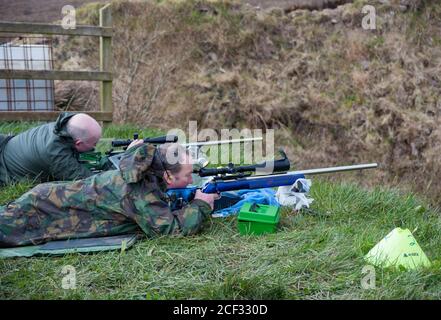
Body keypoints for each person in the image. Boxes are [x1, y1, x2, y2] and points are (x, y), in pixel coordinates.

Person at [0, 142, 217, 247]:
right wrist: (201, 204)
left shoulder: (143, 170)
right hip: (39, 213)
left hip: (44, 200)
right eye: (188, 175)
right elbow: (171, 231)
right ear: (168, 176)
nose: (191, 180)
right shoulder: (141, 191)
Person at [0, 112, 102, 186]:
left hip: (9, 147)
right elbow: (89, 181)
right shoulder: (56, 155)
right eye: (94, 143)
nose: (94, 147)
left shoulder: (63, 125)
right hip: (6, 172)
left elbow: (86, 157)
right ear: (78, 143)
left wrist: (102, 161)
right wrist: (111, 174)